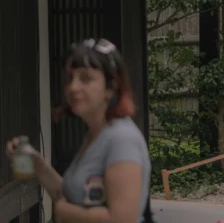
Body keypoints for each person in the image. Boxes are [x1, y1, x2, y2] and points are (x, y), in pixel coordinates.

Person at [5, 38, 152, 223]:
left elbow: (122, 219)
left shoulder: (121, 139)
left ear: (111, 86)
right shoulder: (95, 134)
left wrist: (67, 214)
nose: (73, 87)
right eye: (69, 78)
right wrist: (39, 167)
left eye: (86, 78)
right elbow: (72, 198)